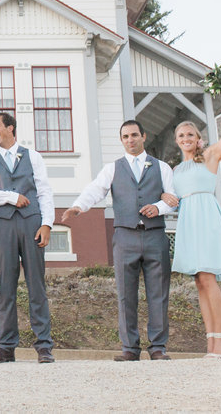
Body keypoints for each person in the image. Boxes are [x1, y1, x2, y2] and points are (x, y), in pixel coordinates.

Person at [61, 120, 177, 361]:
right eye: (125, 137)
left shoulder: (162, 167)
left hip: (155, 235)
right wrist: (78, 206)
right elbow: (96, 189)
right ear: (121, 140)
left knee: (158, 293)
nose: (130, 140)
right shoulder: (113, 168)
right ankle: (130, 348)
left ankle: (158, 347)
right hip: (125, 235)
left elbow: (172, 198)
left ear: (143, 136)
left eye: (134, 135)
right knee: (126, 294)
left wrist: (158, 207)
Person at [168, 89, 221, 358]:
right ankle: (210, 341)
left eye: (190, 134)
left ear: (198, 139)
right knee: (200, 281)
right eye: (181, 136)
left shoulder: (211, 156)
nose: (186, 138)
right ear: (177, 142)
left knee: (210, 278)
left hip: (208, 220)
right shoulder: (176, 171)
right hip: (189, 221)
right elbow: (174, 199)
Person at [0, 112, 56, 364]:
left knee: (36, 286)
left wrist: (47, 224)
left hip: (32, 223)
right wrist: (9, 196)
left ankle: (44, 346)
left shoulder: (33, 156)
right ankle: (6, 347)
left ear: (10, 128)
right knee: (6, 288)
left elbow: (44, 191)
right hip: (3, 226)